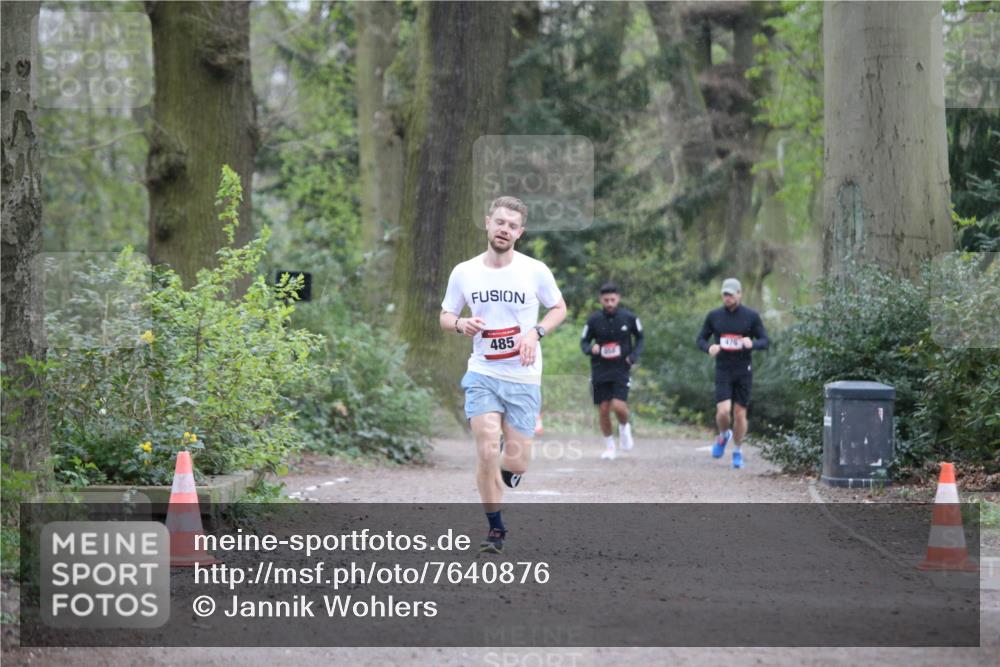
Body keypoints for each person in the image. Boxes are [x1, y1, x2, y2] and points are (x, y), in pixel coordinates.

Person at [440, 196, 567, 554]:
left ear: (520, 232)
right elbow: (445, 315)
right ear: (487, 223)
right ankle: (495, 529)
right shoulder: (464, 271)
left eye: (512, 225)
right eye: (499, 222)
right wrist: (461, 323)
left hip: (523, 376)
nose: (504, 229)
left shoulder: (534, 270)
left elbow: (559, 307)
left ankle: (509, 470)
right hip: (482, 372)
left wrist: (535, 332)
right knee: (484, 447)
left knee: (514, 461)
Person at [695, 278, 769, 469]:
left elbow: (765, 340)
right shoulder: (714, 316)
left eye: (731, 294)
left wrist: (752, 343)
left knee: (739, 414)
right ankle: (723, 435)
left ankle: (737, 450)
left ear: (739, 294)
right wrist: (709, 347)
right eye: (724, 294)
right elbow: (700, 339)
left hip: (743, 370)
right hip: (723, 368)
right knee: (723, 412)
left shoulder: (751, 316)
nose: (727, 298)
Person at [580, 283, 644, 460]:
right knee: (603, 409)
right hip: (600, 369)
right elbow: (584, 341)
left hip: (621, 368)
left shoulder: (629, 318)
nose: (609, 303)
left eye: (612, 299)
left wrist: (633, 356)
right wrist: (589, 349)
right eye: (606, 300)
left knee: (619, 405)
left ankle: (624, 428)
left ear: (618, 298)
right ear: (601, 300)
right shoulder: (593, 320)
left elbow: (640, 339)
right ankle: (609, 446)